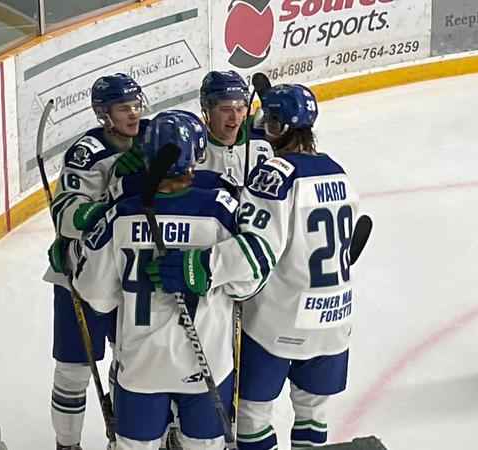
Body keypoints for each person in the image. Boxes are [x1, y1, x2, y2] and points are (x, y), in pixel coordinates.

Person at [149, 84, 360, 448]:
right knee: (313, 413)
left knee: (252, 415)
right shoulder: (336, 171)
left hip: (279, 319)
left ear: (278, 125)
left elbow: (256, 250)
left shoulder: (277, 173)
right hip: (334, 318)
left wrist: (198, 265)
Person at [73, 110, 239, 450]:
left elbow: (97, 295)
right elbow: (247, 283)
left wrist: (74, 254)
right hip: (206, 363)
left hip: (141, 365)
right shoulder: (222, 210)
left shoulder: (120, 213)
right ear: (198, 154)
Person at [43, 73, 148, 450]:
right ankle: (67, 443)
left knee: (130, 365)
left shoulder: (151, 137)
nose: (133, 114)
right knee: (73, 371)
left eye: (136, 105)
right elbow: (67, 214)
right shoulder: (85, 153)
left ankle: (123, 438)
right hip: (82, 270)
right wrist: (114, 192)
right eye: (123, 108)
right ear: (104, 114)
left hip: (129, 273)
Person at [193, 70, 273, 196]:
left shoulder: (262, 143)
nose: (234, 117)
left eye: (240, 109)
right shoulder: (192, 149)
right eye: (225, 109)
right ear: (207, 109)